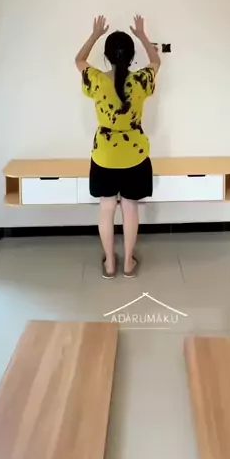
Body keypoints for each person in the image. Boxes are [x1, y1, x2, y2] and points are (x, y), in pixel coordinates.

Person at [75, 15, 160, 278]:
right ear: (131, 57)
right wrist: (142, 34)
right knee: (130, 208)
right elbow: (156, 61)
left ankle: (110, 263)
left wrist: (95, 34)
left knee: (107, 209)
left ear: (107, 56)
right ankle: (128, 264)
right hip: (135, 155)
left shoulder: (96, 80)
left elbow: (79, 60)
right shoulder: (141, 81)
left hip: (104, 155)